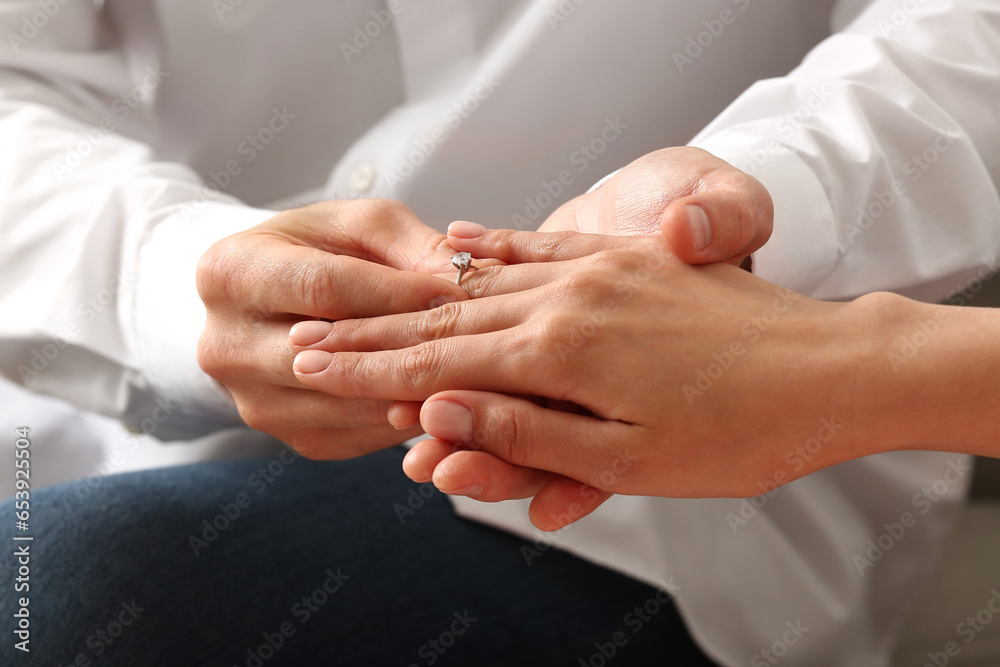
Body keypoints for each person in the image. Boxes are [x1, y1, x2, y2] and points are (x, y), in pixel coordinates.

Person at [1, 1, 998, 666]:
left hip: (671, 491)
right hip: (103, 415)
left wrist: (764, 191)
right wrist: (170, 278)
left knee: (87, 588)